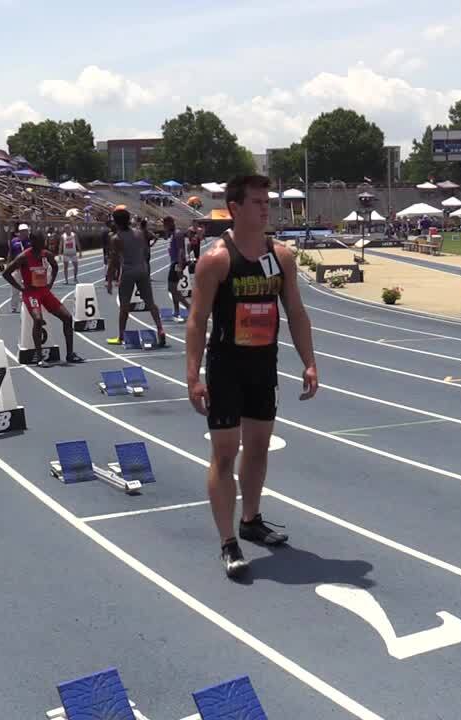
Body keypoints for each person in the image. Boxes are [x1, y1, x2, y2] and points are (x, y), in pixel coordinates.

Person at [185, 175, 319, 579]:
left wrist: (309, 361)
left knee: (258, 449)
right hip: (226, 367)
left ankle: (251, 518)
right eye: (258, 202)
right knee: (226, 453)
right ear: (236, 207)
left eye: (268, 202)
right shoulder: (216, 259)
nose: (266, 208)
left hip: (263, 365)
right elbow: (196, 321)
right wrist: (193, 376)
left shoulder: (282, 257)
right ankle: (229, 541)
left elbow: (295, 311)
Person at [1, 231, 85, 368]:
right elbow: (6, 273)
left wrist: (51, 283)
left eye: (44, 241)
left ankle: (70, 354)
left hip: (44, 292)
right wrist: (21, 288)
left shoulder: (46, 254)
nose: (44, 243)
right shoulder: (24, 257)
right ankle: (39, 357)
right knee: (38, 320)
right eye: (41, 241)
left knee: (68, 317)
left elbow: (55, 266)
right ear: (33, 242)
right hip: (31, 293)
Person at [105, 208, 166, 346]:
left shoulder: (116, 238)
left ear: (116, 222)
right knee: (150, 302)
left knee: (124, 305)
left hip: (128, 271)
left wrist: (109, 281)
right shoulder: (139, 233)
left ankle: (121, 336)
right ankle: (160, 329)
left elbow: (113, 261)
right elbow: (145, 250)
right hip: (142, 269)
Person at [163, 216, 188, 322]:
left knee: (172, 288)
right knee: (174, 289)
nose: (164, 227)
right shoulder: (172, 234)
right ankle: (177, 310)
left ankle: (189, 307)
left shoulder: (177, 234)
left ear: (169, 223)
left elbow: (181, 251)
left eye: (165, 225)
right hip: (174, 263)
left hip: (177, 263)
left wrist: (179, 267)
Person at [8, 224, 28, 313]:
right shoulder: (14, 241)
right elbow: (10, 253)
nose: (24, 232)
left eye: (26, 231)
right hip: (16, 268)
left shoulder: (30, 241)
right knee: (15, 288)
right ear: (19, 232)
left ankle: (26, 304)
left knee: (27, 287)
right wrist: (9, 264)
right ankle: (14, 306)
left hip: (27, 268)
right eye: (23, 231)